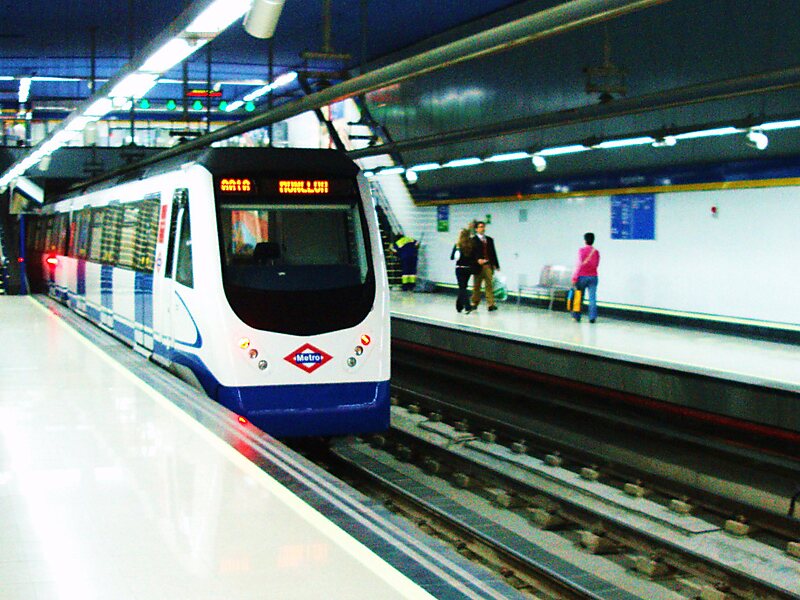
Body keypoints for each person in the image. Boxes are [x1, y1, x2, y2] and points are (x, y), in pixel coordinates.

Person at [470, 221, 500, 311]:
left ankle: (491, 304)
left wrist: (496, 265)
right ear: (476, 229)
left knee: (489, 285)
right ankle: (474, 302)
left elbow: (493, 252)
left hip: (488, 265)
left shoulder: (489, 240)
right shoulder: (473, 240)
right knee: (477, 286)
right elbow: (471, 254)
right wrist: (477, 260)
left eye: (483, 227)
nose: (482, 228)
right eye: (480, 227)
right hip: (477, 266)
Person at [571, 231, 600, 323]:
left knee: (579, 296)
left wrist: (574, 278)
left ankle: (576, 316)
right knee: (592, 298)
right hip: (593, 277)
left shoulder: (581, 251)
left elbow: (578, 265)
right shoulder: (596, 252)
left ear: (585, 240)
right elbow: (596, 264)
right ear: (593, 240)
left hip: (582, 277)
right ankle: (592, 317)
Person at [450, 226, 478, 313]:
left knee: (462, 287)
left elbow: (452, 257)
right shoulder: (472, 245)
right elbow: (474, 257)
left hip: (459, 268)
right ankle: (459, 306)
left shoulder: (457, 245)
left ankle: (467, 306)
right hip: (468, 269)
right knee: (463, 287)